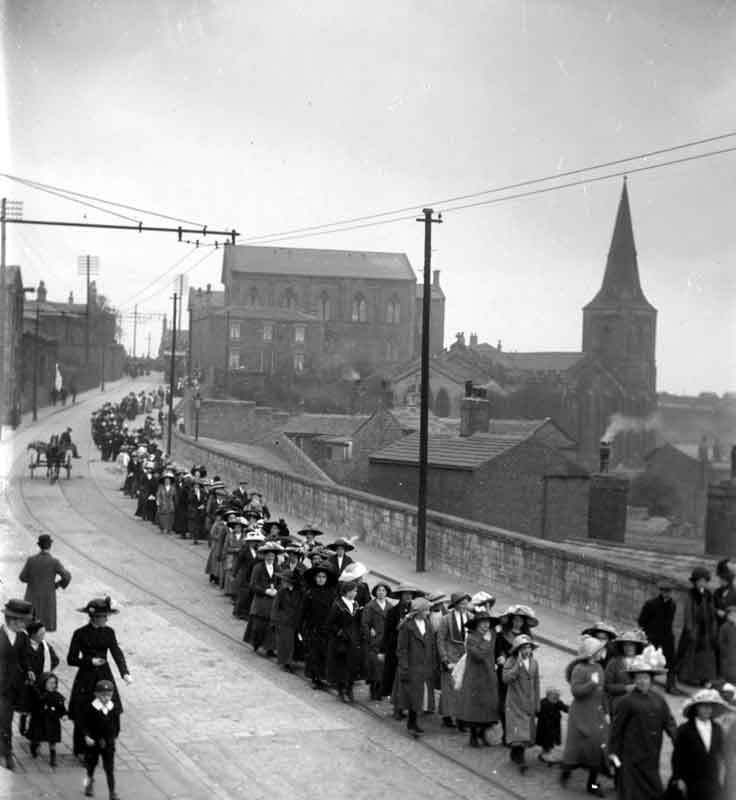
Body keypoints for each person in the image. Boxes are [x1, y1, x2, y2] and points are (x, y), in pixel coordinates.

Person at [608, 645, 676, 800]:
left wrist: (677, 739)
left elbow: (669, 722)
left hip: (652, 753)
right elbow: (617, 728)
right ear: (634, 680)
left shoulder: (659, 700)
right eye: (638, 678)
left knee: (653, 791)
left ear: (651, 679)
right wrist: (613, 752)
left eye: (645, 678)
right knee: (631, 792)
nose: (642, 681)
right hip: (631, 755)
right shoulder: (627, 701)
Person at [67, 597, 131, 758]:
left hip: (104, 675)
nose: (106, 619)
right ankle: (81, 748)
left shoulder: (109, 632)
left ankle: (106, 742)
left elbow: (116, 652)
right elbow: (71, 659)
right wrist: (89, 661)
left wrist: (125, 672)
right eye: (104, 616)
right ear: (94, 617)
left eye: (106, 616)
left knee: (109, 708)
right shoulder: (80, 634)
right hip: (86, 677)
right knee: (85, 710)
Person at [560, 635, 610, 798]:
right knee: (575, 747)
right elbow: (576, 692)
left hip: (596, 714)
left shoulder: (599, 668)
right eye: (598, 651)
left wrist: (607, 712)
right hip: (580, 714)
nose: (601, 653)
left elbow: (603, 693)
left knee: (596, 747)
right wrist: (591, 684)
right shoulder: (579, 669)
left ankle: (593, 783)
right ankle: (566, 771)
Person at [671, 688, 727, 800]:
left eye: (710, 706)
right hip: (691, 779)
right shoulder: (685, 729)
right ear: (696, 708)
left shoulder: (717, 729)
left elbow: (721, 754)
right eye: (704, 706)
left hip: (711, 779)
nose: (707, 710)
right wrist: (679, 778)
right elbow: (677, 756)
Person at [459, 609, 500, 747]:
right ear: (476, 625)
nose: (485, 626)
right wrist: (486, 642)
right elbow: (479, 655)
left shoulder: (492, 634)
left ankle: (482, 734)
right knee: (475, 707)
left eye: (487, 623)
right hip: (475, 677)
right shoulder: (471, 638)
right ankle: (473, 736)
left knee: (488, 706)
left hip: (489, 676)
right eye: (482, 623)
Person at [381, 585, 424, 717]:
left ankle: (406, 706)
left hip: (411, 650)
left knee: (407, 679)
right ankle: (397, 708)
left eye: (410, 594)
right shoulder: (393, 612)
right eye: (405, 594)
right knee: (395, 678)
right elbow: (387, 632)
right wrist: (383, 650)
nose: (408, 597)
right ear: (400, 596)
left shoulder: (416, 611)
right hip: (395, 648)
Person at [0, 599, 33, 771]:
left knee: (7, 719)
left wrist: (28, 670)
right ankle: (6, 754)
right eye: (23, 621)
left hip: (14, 686)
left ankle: (4, 750)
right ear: (13, 620)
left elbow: (24, 657)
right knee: (4, 721)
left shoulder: (22, 637)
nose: (25, 624)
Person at [397, 596, 437, 736]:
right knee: (413, 696)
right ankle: (411, 724)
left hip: (424, 665)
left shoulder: (427, 624)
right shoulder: (407, 626)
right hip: (412, 666)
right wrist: (404, 666)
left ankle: (413, 723)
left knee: (420, 696)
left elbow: (432, 645)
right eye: (426, 610)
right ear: (419, 611)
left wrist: (432, 663)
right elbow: (401, 649)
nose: (428, 612)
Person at [18, 534, 72, 633]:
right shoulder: (54, 562)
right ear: (50, 546)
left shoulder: (31, 560)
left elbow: (22, 577)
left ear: (39, 545)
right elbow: (67, 576)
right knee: (43, 625)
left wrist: (33, 580)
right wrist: (58, 585)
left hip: (32, 596)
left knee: (30, 624)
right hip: (47, 598)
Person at [637, 579, 682, 694]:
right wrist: (648, 634)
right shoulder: (651, 604)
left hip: (667, 636)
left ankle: (671, 685)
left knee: (671, 661)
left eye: (669, 591)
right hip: (653, 636)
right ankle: (647, 684)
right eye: (664, 591)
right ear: (661, 591)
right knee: (650, 661)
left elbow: (669, 621)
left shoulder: (672, 605)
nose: (667, 594)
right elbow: (642, 621)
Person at [503, 634, 541, 774]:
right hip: (515, 702)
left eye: (529, 647)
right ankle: (520, 758)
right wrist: (517, 666)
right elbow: (505, 678)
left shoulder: (534, 663)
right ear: (517, 650)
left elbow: (536, 683)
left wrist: (537, 702)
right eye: (524, 648)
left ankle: (516, 753)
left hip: (528, 703)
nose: (527, 651)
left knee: (525, 732)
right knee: (519, 732)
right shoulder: (511, 661)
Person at [18, 620, 59, 738]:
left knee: (38, 705)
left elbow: (55, 659)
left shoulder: (45, 646)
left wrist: (47, 672)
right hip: (27, 682)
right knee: (26, 705)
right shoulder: (23, 646)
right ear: (33, 634)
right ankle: (23, 725)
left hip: (41, 680)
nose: (43, 636)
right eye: (41, 634)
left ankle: (36, 729)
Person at [677, 566, 717, 686]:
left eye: (704, 581)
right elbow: (688, 612)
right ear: (695, 582)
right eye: (700, 581)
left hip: (706, 629)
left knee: (706, 656)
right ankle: (689, 677)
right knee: (691, 654)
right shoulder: (691, 594)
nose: (702, 583)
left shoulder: (709, 595)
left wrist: (713, 626)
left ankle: (704, 678)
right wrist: (690, 629)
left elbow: (712, 610)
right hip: (695, 628)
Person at [81, 679, 121, 800]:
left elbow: (117, 726)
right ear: (96, 695)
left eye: (108, 695)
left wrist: (112, 738)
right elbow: (84, 725)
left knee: (109, 769)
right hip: (94, 743)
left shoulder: (113, 708)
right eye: (103, 695)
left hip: (108, 744)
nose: (106, 698)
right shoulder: (91, 708)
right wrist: (87, 736)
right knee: (91, 766)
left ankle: (112, 792)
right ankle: (88, 785)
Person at [301, 560, 337, 691]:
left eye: (323, 577)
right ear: (315, 578)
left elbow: (334, 611)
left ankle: (323, 676)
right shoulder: (310, 593)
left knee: (325, 653)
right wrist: (302, 629)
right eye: (319, 577)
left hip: (327, 629)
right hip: (313, 628)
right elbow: (303, 612)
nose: (321, 579)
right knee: (314, 654)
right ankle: (315, 678)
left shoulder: (332, 594)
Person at [437, 592, 471, 729]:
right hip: (451, 657)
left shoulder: (470, 618)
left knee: (463, 689)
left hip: (465, 657)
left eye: (466, 603)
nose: (464, 606)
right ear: (455, 605)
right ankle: (447, 716)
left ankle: (461, 718)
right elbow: (440, 640)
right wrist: (444, 659)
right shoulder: (446, 619)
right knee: (449, 688)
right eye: (462, 603)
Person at [326, 580, 363, 703]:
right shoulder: (338, 605)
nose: (355, 593)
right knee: (341, 666)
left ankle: (350, 688)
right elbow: (330, 624)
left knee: (352, 665)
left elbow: (358, 622)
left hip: (353, 639)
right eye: (354, 591)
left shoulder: (356, 605)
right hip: (341, 641)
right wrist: (339, 632)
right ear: (347, 591)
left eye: (356, 591)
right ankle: (341, 689)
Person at [244, 541, 282, 654]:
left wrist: (276, 590)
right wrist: (265, 590)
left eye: (273, 555)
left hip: (273, 602)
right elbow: (252, 585)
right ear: (265, 556)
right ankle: (256, 643)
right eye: (268, 555)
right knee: (258, 625)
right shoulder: (258, 567)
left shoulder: (278, 568)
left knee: (271, 626)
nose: (271, 557)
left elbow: (281, 583)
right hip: (260, 601)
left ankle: (269, 647)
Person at [26, 672, 66, 767]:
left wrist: (64, 715)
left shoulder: (57, 696)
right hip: (39, 720)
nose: (53, 685)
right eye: (50, 683)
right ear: (44, 683)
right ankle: (34, 746)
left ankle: (53, 756)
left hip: (53, 720)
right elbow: (32, 693)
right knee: (37, 736)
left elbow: (62, 708)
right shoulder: (39, 694)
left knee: (53, 739)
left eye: (54, 683)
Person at [603, 629, 646, 715]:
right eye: (625, 644)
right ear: (621, 646)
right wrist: (625, 688)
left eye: (631, 644)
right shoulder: (614, 662)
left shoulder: (642, 661)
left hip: (638, 701)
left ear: (636, 646)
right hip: (618, 701)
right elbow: (607, 686)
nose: (628, 647)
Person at [361, 581, 391, 700]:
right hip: (374, 641)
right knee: (374, 666)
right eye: (379, 590)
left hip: (385, 640)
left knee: (383, 667)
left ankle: (381, 689)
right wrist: (369, 633)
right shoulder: (370, 606)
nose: (381, 592)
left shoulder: (390, 607)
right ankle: (374, 689)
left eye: (383, 590)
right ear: (375, 592)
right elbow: (364, 623)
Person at [270, 570, 303, 672]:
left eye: (285, 580)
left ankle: (290, 661)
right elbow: (275, 606)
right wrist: (274, 620)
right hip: (283, 620)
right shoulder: (281, 592)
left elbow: (301, 606)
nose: (283, 582)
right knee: (285, 642)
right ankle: (285, 663)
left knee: (292, 642)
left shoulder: (299, 592)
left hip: (295, 620)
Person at [535, 688, 568, 764]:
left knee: (551, 741)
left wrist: (572, 709)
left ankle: (545, 754)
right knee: (546, 741)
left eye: (558, 697)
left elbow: (564, 707)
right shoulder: (543, 703)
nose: (556, 699)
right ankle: (545, 755)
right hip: (544, 726)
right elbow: (537, 711)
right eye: (554, 697)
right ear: (548, 696)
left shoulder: (558, 703)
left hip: (554, 726)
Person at [719, 605, 736, 682]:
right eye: (731, 615)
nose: (733, 616)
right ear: (727, 616)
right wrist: (724, 650)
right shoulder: (724, 627)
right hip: (728, 653)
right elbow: (720, 641)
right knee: (729, 668)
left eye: (735, 614)